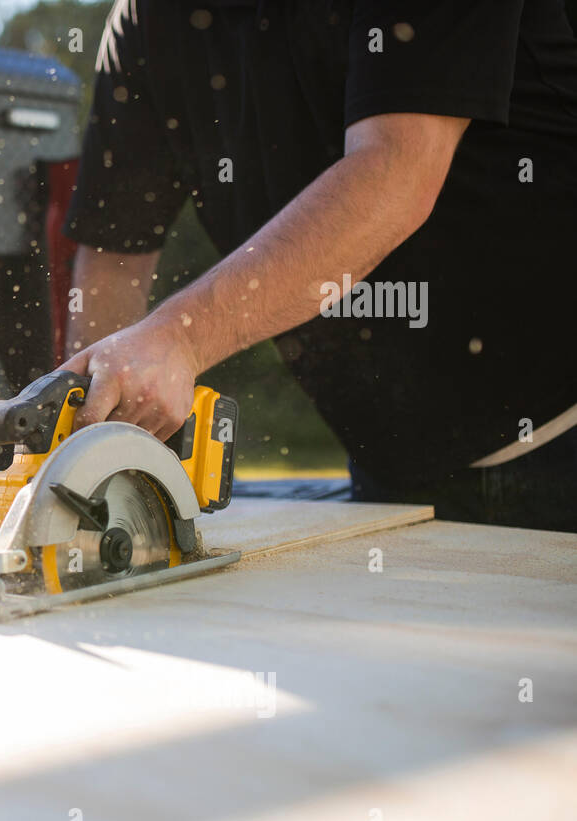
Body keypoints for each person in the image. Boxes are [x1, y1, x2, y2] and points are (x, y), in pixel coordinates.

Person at [59, 0, 577, 531]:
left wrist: (178, 339)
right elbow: (113, 257)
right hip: (395, 465)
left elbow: (395, 172)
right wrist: (89, 436)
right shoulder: (147, 23)